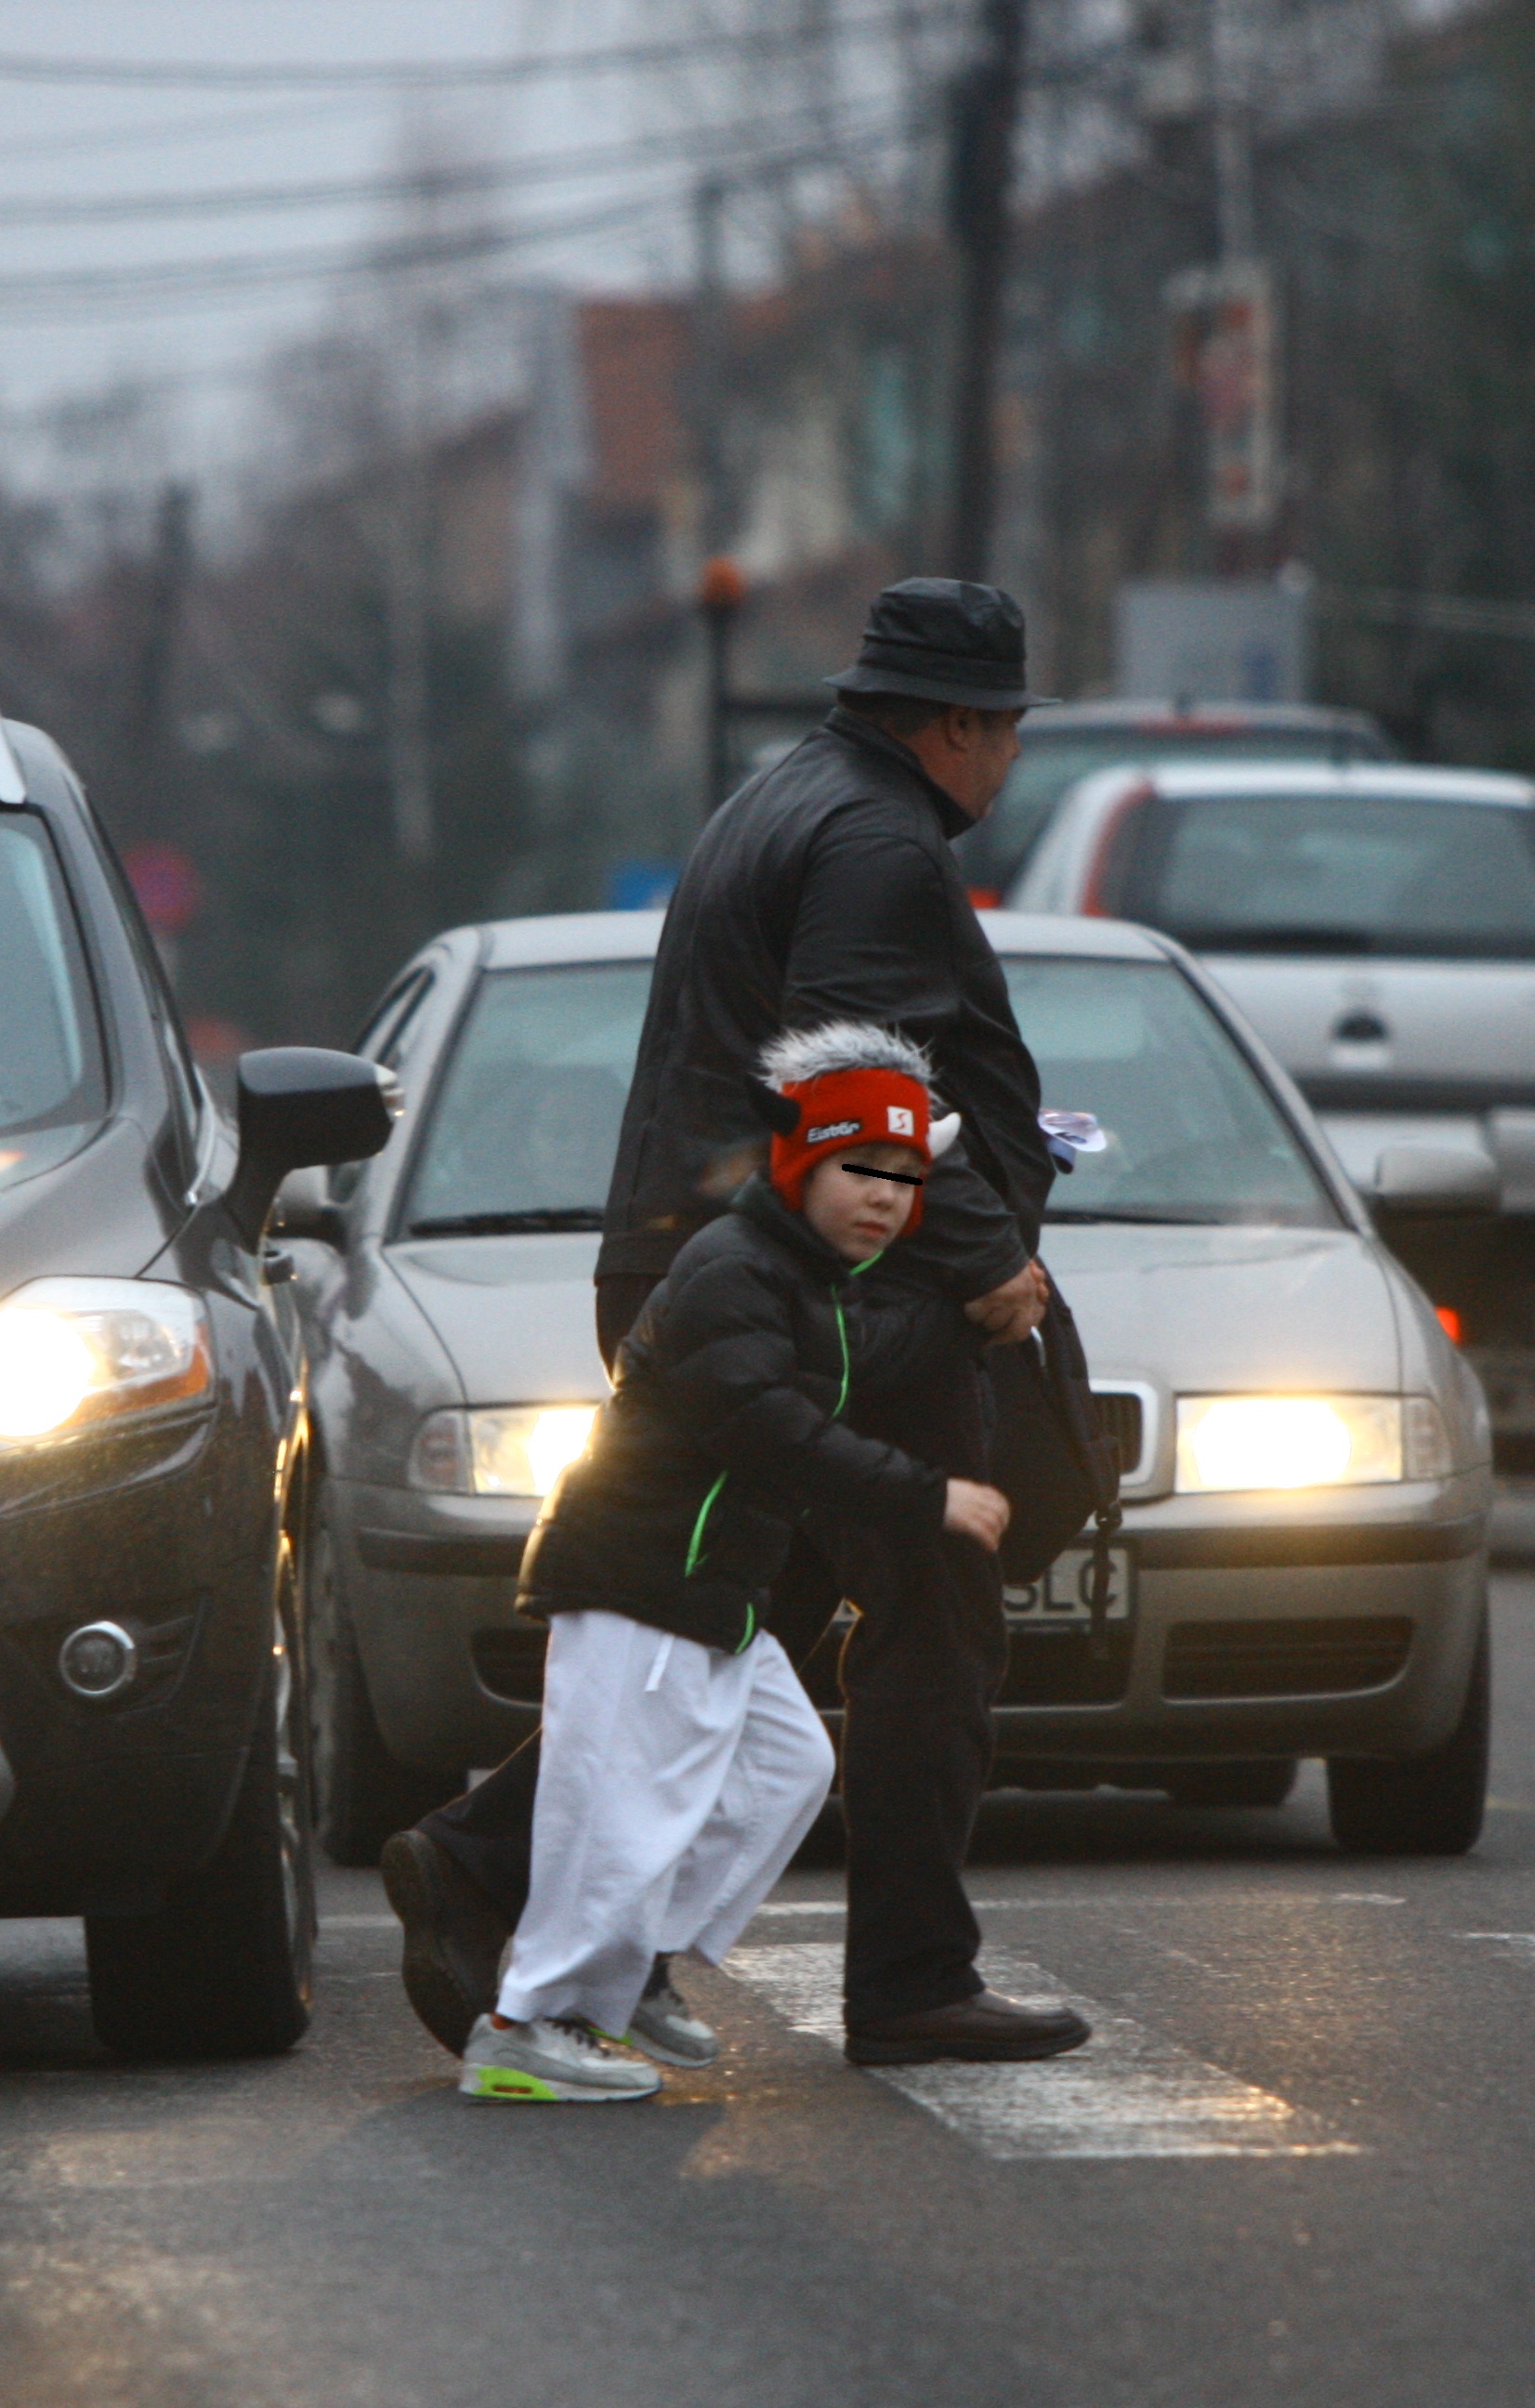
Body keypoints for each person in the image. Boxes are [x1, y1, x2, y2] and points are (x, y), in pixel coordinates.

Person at [387, 576, 1093, 2071]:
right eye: (1011, 730)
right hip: (824, 1290)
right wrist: (976, 1254)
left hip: (706, 1263)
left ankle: (486, 1862)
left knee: (720, 1607)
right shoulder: (880, 843)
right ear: (957, 725)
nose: (1014, 758)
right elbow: (855, 1079)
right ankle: (910, 1978)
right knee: (931, 1597)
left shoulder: (787, 798)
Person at [459, 1027, 1004, 2100]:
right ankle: (528, 2024)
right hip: (640, 1580)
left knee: (784, 1772)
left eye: (905, 1178)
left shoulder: (808, 1279)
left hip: (711, 1591)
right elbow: (769, 1425)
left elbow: (862, 1362)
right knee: (618, 1806)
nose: (886, 1199)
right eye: (861, 1171)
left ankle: (633, 1969)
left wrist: (977, 1313)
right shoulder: (733, 1272)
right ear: (802, 1170)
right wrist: (926, 1493)